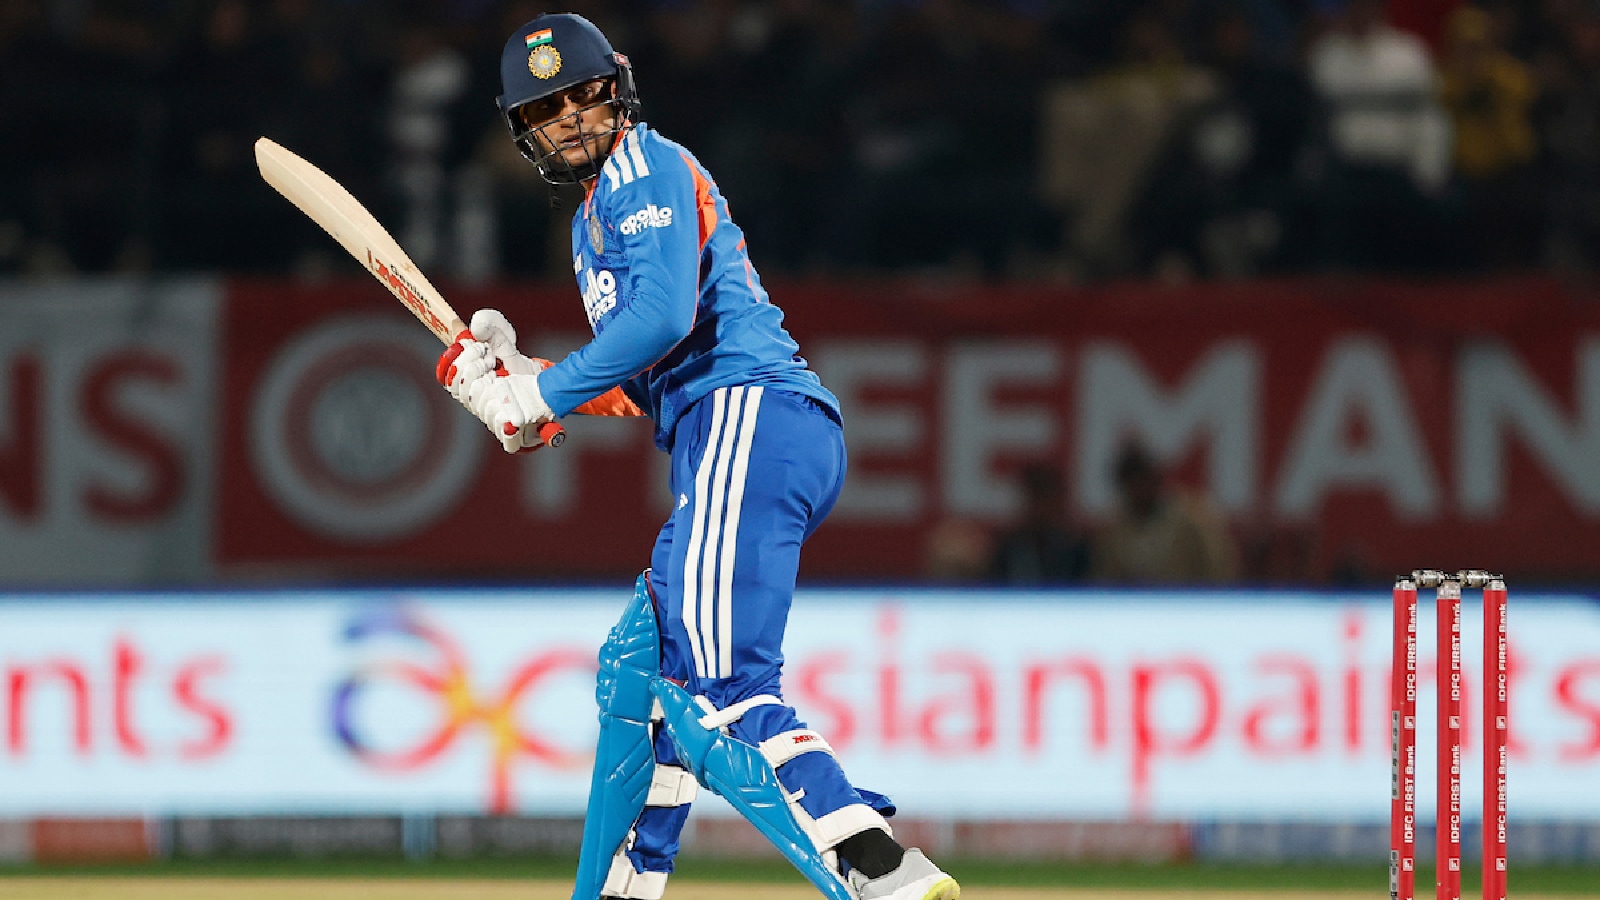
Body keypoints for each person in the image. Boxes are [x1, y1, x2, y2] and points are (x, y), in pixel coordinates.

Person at [435, 14, 959, 900]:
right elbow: (648, 376)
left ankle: (881, 873)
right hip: (741, 430)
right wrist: (527, 380)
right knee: (640, 676)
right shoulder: (595, 219)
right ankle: (621, 890)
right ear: (524, 132)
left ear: (618, 88)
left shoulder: (644, 168)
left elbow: (663, 318)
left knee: (720, 692)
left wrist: (542, 392)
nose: (568, 117)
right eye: (544, 110)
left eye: (581, 94)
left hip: (748, 418)